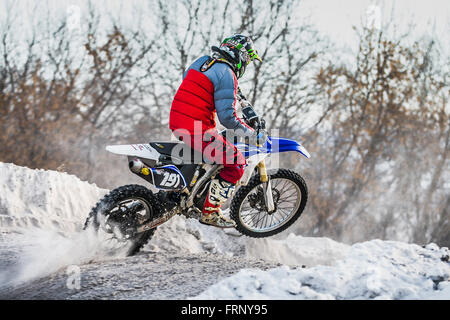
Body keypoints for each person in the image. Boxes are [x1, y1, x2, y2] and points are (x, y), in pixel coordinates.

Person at [169, 34, 263, 228]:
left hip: (177, 120)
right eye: (247, 59)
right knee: (236, 162)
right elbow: (227, 118)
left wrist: (247, 109)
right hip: (197, 128)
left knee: (214, 149)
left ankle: (191, 190)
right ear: (241, 56)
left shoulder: (202, 61)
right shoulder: (227, 74)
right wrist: (251, 134)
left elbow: (202, 86)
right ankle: (210, 212)